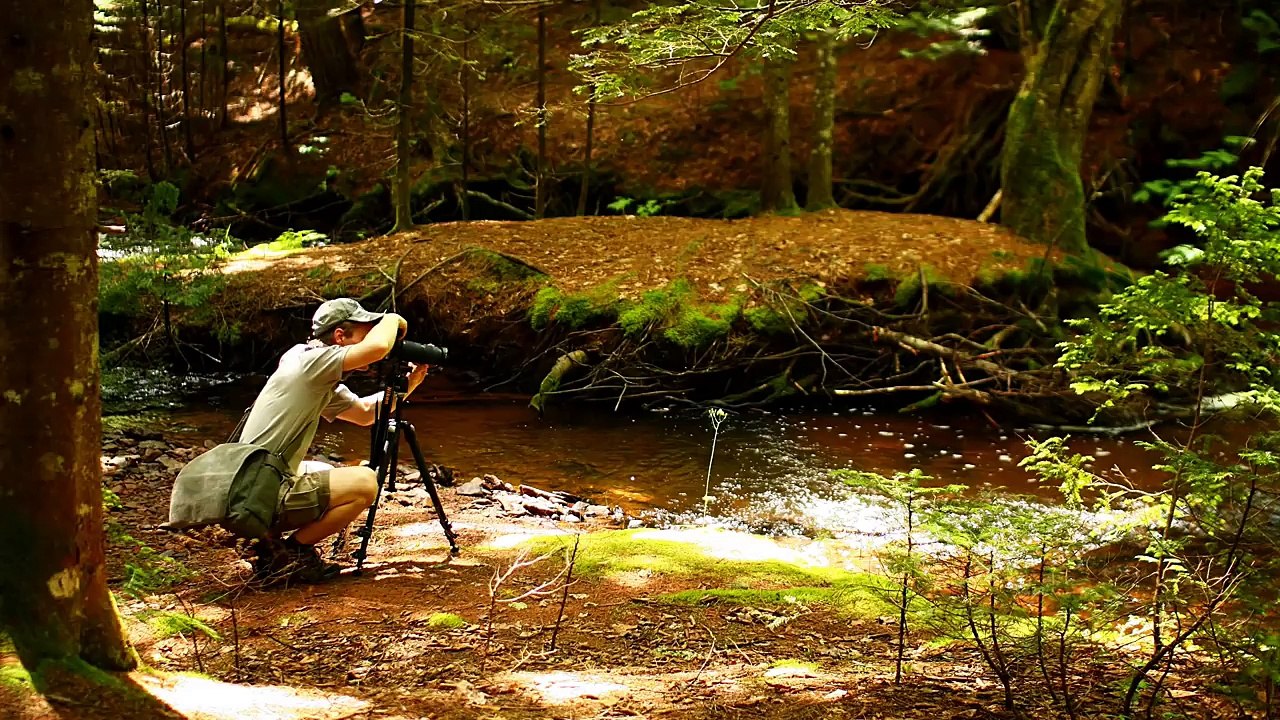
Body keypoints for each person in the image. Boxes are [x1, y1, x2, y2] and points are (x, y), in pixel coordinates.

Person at [240, 297, 429, 586]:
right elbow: (377, 349)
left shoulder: (305, 364)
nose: (375, 341)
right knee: (365, 483)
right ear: (340, 336)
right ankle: (287, 555)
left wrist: (410, 385)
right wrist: (392, 319)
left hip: (252, 482)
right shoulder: (311, 363)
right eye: (364, 331)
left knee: (321, 471)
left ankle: (273, 541)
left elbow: (366, 414)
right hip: (257, 492)